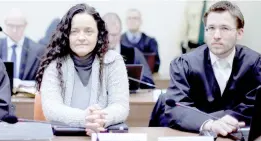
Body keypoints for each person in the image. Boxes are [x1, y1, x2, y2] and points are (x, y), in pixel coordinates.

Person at [165, 1, 261, 136]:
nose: (216, 35)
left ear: (239, 33)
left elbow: (254, 107)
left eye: (224, 28)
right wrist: (209, 123)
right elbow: (175, 108)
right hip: (193, 136)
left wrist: (219, 119)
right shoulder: (184, 64)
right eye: (211, 28)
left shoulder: (254, 63)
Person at [35, 3, 129, 136]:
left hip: (102, 134)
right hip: (62, 137)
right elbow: (52, 109)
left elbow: (120, 106)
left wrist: (101, 119)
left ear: (98, 34)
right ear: (67, 35)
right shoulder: (54, 64)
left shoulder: (114, 61)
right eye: (74, 31)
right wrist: (86, 119)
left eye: (88, 31)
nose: (81, 37)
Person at [0, 9, 44, 80]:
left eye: (18, 26)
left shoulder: (37, 51)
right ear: (5, 24)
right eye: (11, 26)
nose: (14, 30)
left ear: (25, 25)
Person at [102, 12, 154, 88]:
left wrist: (133, 80)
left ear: (120, 32)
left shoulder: (134, 53)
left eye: (114, 35)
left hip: (129, 98)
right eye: (106, 34)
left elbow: (149, 83)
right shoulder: (93, 54)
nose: (109, 39)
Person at [121, 9, 160, 73]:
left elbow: (156, 65)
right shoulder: (119, 41)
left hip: (145, 79)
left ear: (141, 21)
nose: (132, 21)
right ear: (126, 21)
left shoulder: (150, 42)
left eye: (135, 18)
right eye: (129, 18)